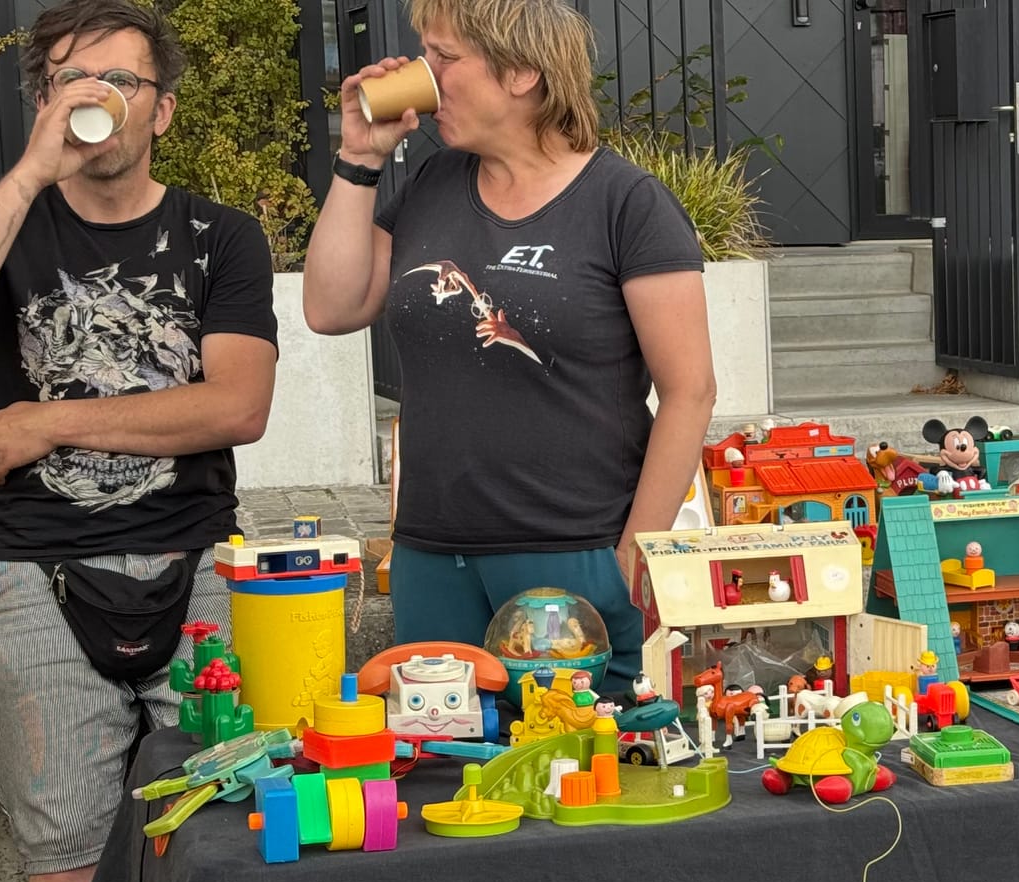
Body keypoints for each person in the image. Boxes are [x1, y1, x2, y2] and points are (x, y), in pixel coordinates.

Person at [0, 0, 279, 882]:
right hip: (31, 567)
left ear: (163, 108)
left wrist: (47, 423)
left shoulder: (220, 237)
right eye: (70, 77)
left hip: (195, 561)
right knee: (62, 845)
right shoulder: (8, 224)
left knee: (224, 820)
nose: (95, 96)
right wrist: (30, 171)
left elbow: (236, 406)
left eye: (118, 78)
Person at [302, 0, 715, 694]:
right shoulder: (432, 184)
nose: (424, 75)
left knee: (577, 756)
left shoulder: (625, 203)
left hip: (572, 554)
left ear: (522, 71)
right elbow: (331, 307)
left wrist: (631, 560)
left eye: (444, 56)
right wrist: (359, 159)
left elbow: (690, 390)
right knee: (445, 756)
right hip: (432, 553)